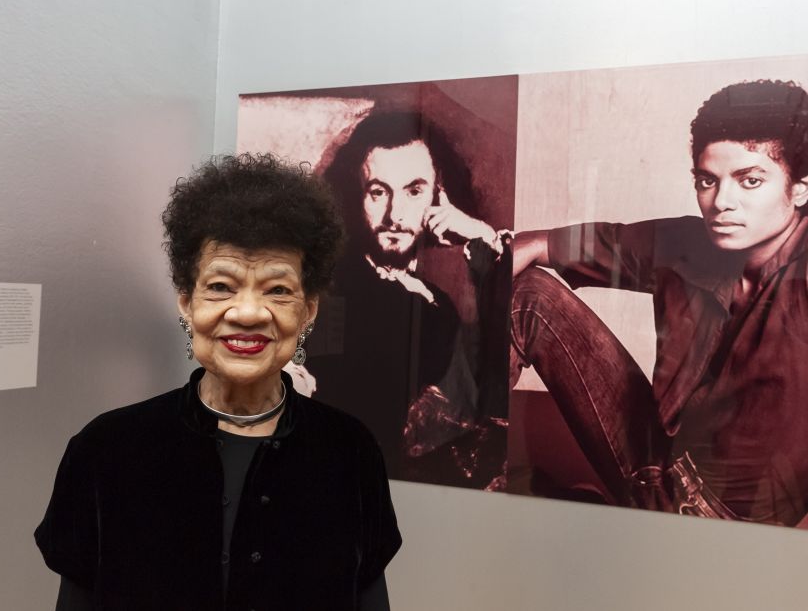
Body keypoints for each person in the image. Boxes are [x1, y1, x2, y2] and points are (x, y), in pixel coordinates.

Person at [511, 80, 808, 537]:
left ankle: (577, 507)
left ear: (802, 187)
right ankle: (469, 452)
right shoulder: (692, 242)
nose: (722, 202)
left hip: (717, 523)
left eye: (750, 180)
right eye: (707, 181)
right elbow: (542, 244)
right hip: (654, 465)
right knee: (524, 294)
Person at [35, 154, 402, 609]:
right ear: (186, 303)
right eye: (221, 287)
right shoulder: (105, 450)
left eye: (278, 290)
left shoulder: (350, 452)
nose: (247, 313)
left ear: (308, 311)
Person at [310, 109, 512, 489]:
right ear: (356, 198)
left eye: (414, 191)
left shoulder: (435, 299)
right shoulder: (339, 290)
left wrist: (480, 244)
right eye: (378, 192)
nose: (395, 214)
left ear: (439, 197)